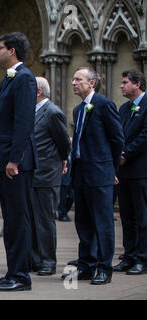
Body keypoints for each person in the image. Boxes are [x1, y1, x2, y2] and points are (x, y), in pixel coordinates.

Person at [61, 67, 123, 285]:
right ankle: (86, 265)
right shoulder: (78, 110)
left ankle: (105, 268)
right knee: (83, 223)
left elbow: (117, 140)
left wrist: (112, 169)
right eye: (73, 79)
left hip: (100, 174)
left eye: (78, 79)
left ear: (92, 83)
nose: (73, 83)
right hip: (81, 175)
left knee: (103, 223)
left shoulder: (105, 105)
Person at [0, 32, 37, 292]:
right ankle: (12, 272)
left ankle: (21, 276)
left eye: (0, 48)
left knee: (18, 220)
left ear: (13, 51)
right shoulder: (8, 80)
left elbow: (24, 123)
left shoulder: (25, 78)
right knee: (10, 220)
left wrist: (13, 160)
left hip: (15, 164)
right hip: (3, 161)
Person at [30, 77, 71, 276]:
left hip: (47, 173)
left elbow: (64, 142)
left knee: (45, 219)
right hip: (31, 173)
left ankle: (48, 261)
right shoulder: (32, 111)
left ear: (38, 91)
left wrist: (63, 159)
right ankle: (35, 258)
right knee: (32, 218)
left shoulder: (53, 112)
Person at [113, 69, 147, 275]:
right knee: (127, 216)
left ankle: (143, 258)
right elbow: (118, 134)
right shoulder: (124, 108)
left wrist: (127, 153)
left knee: (142, 217)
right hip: (123, 170)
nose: (121, 86)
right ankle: (129, 255)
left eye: (125, 82)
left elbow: (145, 136)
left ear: (138, 84)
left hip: (141, 170)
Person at [57, 142, 74, 222]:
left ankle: (63, 211)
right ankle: (62, 214)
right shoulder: (62, 154)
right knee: (62, 197)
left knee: (72, 195)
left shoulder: (73, 153)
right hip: (63, 178)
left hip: (71, 178)